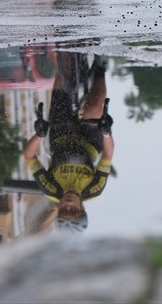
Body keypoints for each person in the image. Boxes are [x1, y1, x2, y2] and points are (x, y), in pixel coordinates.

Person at [22, 54, 114, 233]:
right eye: (73, 211)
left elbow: (28, 156)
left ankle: (65, 50)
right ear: (82, 209)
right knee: (94, 108)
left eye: (64, 210)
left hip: (60, 136)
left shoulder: (51, 189)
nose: (68, 205)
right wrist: (106, 132)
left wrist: (39, 135)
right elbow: (108, 154)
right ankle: (100, 69)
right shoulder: (93, 190)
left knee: (62, 76)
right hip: (89, 141)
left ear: (58, 209)